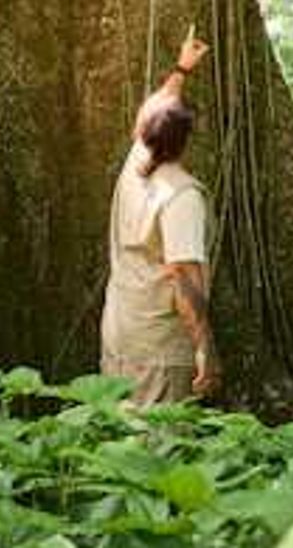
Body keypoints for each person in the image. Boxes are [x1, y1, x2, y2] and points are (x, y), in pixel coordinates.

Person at [100, 28, 221, 404]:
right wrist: (204, 346)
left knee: (120, 441)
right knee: (157, 453)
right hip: (159, 349)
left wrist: (182, 69)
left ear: (144, 132)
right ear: (185, 141)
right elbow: (183, 278)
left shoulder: (135, 164)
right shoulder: (181, 197)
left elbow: (154, 110)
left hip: (120, 331)